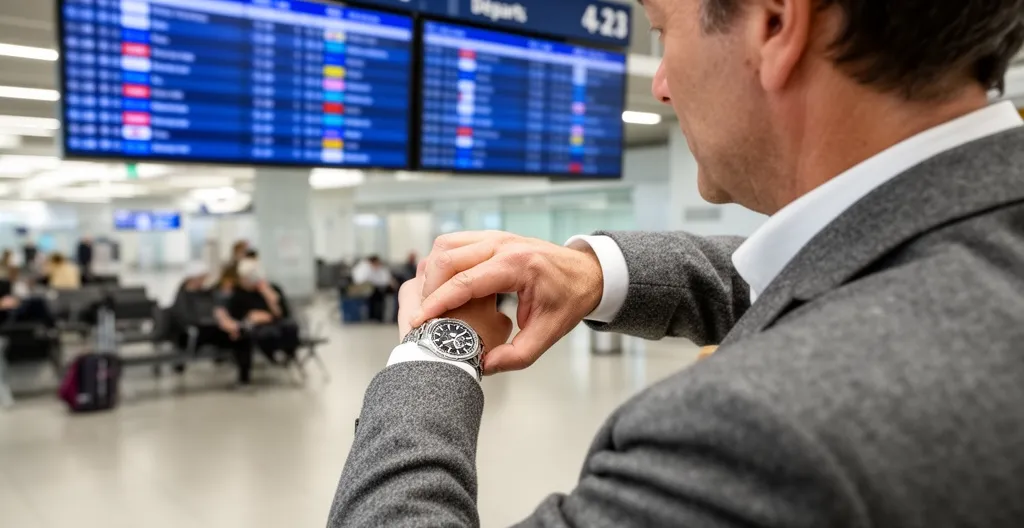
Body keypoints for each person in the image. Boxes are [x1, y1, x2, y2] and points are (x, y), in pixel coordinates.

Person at [329, 0, 1024, 526]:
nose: (660, 84)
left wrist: (436, 353)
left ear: (777, 24)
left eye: (662, 34)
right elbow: (847, 263)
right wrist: (598, 270)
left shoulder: (756, 434)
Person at [217, 259, 299, 370]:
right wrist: (251, 318)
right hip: (253, 326)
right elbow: (236, 317)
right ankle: (273, 356)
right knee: (266, 334)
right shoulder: (237, 294)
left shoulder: (271, 289)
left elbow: (282, 313)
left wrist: (271, 300)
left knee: (290, 326)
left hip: (273, 321)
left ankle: (289, 354)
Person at [352, 255, 396, 322]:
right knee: (377, 298)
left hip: (371, 287)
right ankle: (376, 317)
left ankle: (377, 316)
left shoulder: (367, 266)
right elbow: (369, 280)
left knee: (378, 298)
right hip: (364, 287)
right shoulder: (366, 267)